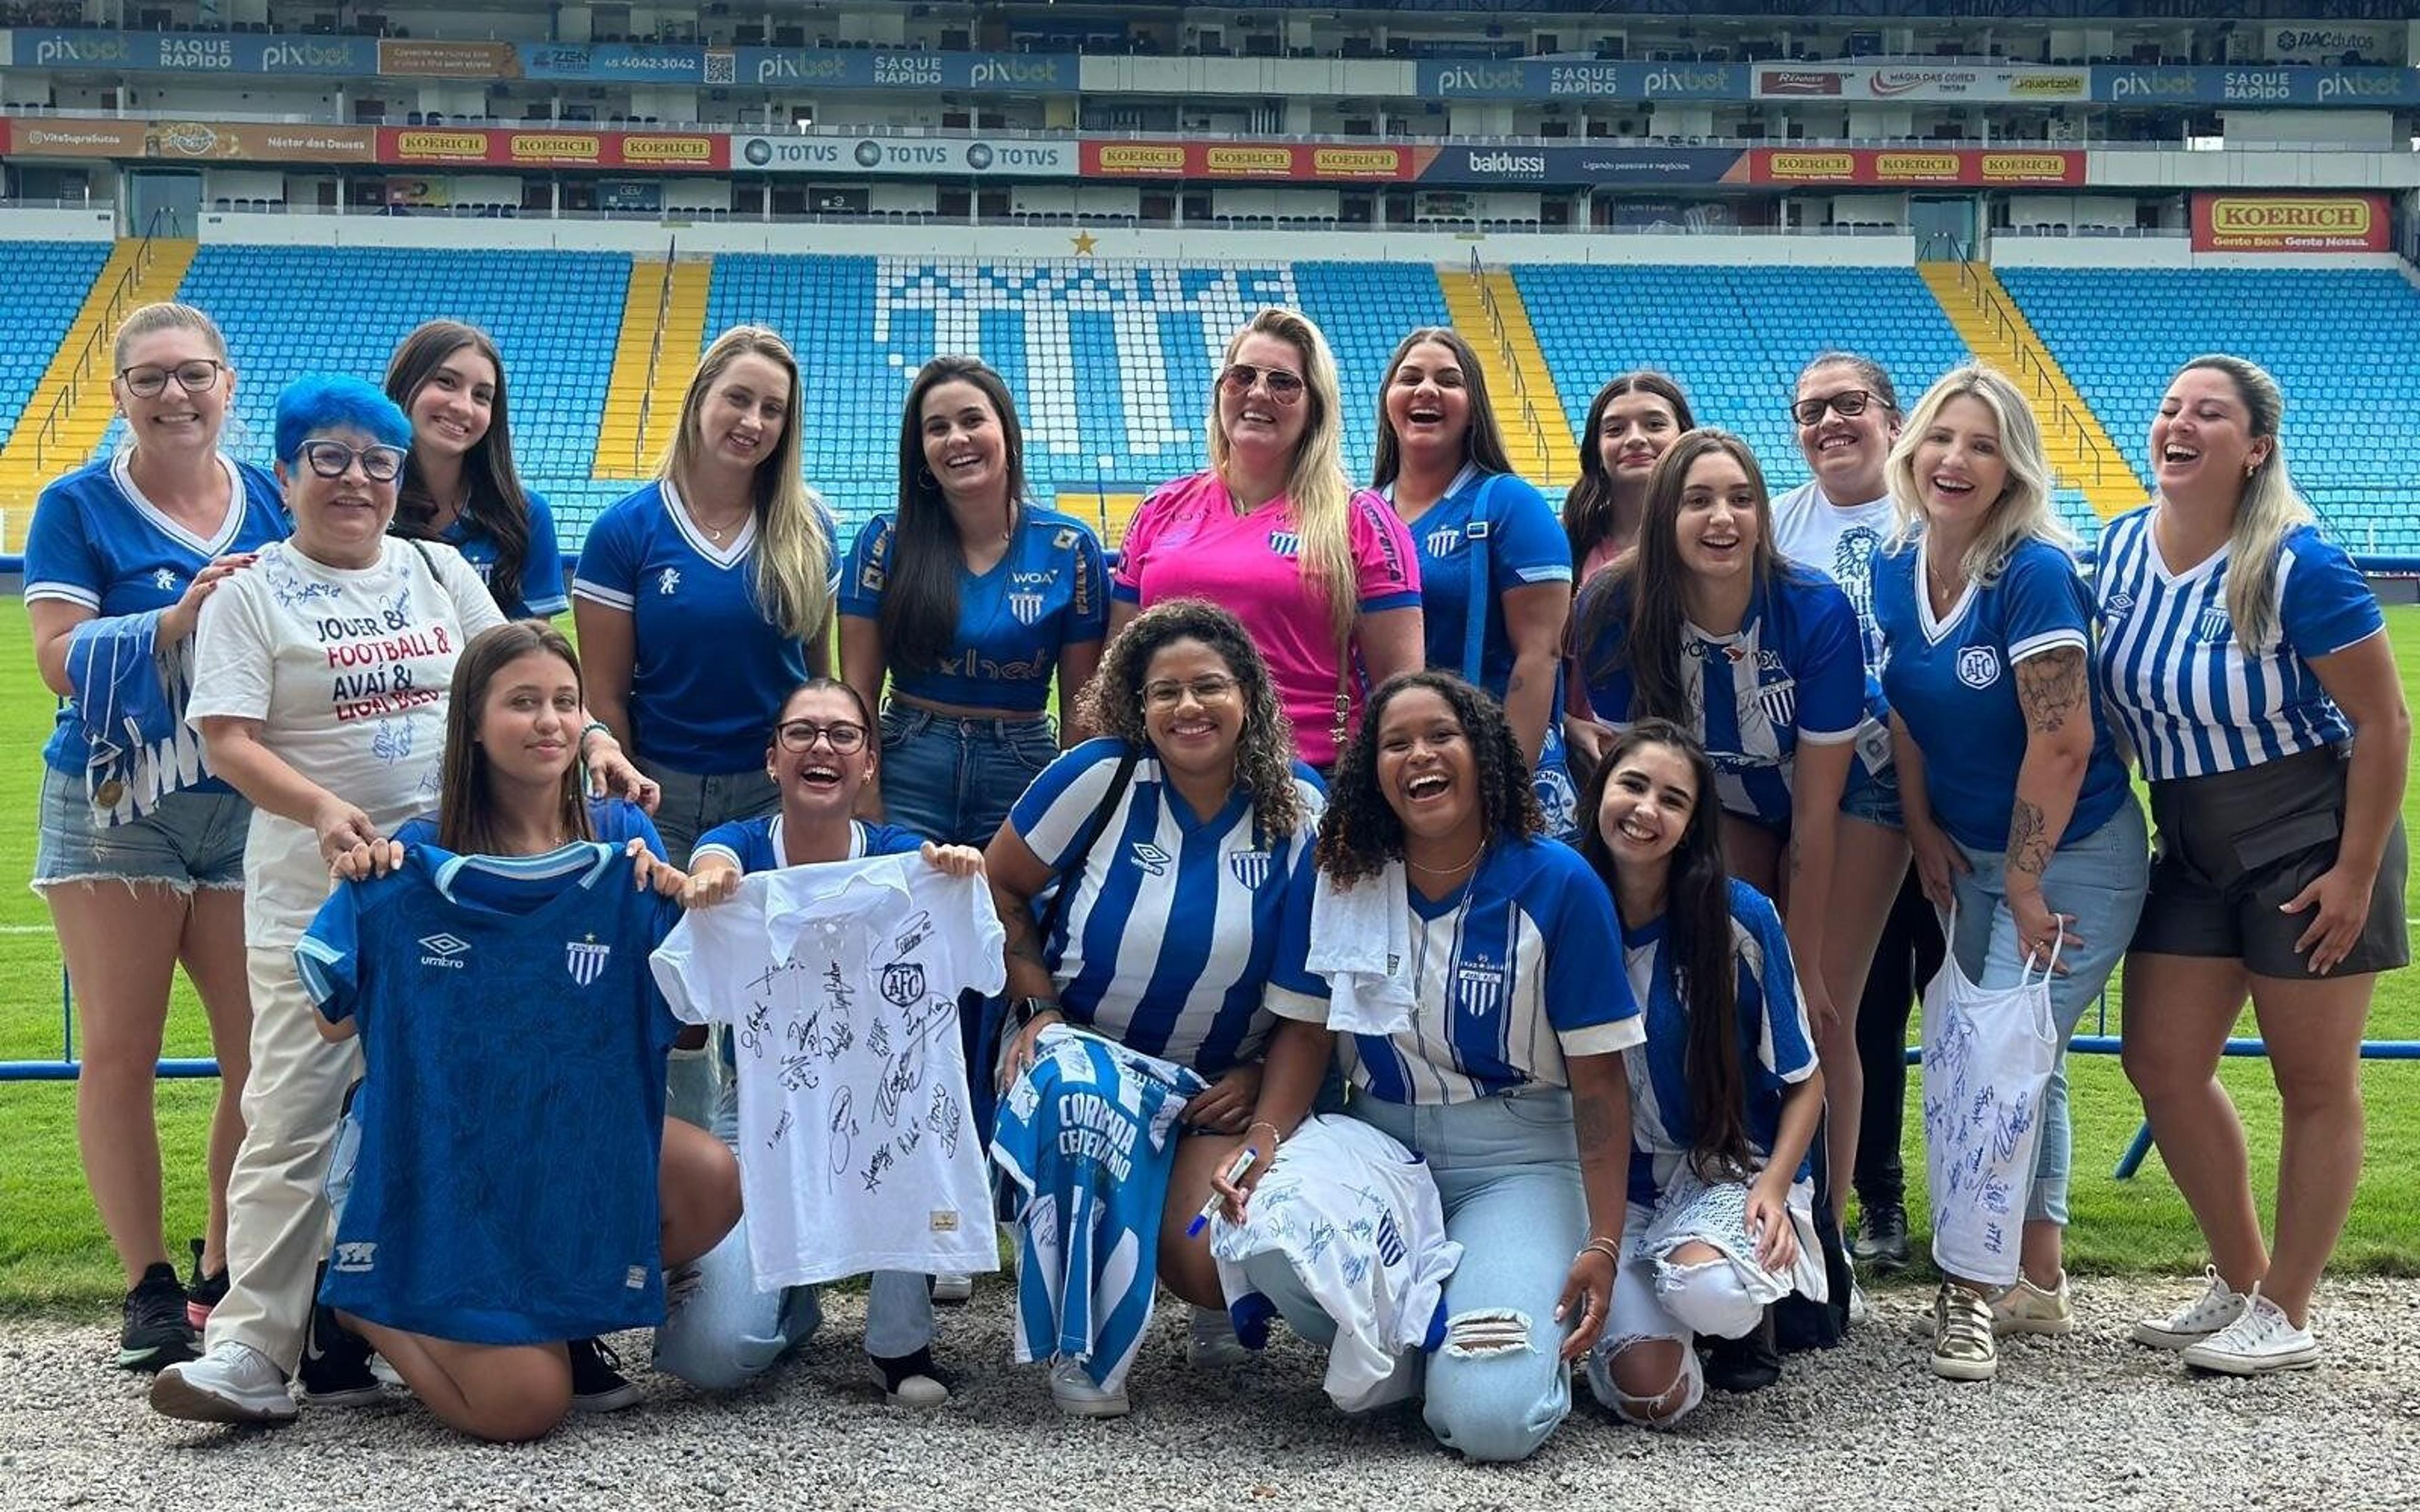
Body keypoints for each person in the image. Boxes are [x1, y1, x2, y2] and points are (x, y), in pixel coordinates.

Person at [149, 375, 646, 1426]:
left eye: (378, 462)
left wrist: (595, 743)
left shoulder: (435, 570)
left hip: (455, 888)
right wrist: (328, 812)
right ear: (285, 476)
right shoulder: (251, 592)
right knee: (289, 1113)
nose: (356, 480)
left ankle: (524, 1302)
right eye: (327, 458)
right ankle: (249, 1349)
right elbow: (228, 737)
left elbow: (523, 664)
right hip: (317, 887)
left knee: (481, 1104)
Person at [309, 620, 734, 1440]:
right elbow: (330, 1026)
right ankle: (356, 1303)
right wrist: (372, 898)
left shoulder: (625, 844)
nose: (549, 721)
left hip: (566, 1143)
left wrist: (684, 918)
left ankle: (555, 1306)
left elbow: (684, 1033)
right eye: (523, 703)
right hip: (444, 1162)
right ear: (473, 721)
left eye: (566, 703)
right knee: (523, 1410)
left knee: (715, 1181)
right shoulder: (414, 861)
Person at [1221, 671, 1639, 1463]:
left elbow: (1599, 1084)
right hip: (1379, 1145)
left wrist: (1606, 1240)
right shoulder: (1341, 870)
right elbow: (1308, 1035)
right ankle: (1420, 1338)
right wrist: (1265, 1141)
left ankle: (1453, 1343)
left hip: (1515, 1161)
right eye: (1395, 743)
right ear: (1373, 769)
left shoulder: (1557, 884)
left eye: (1441, 736)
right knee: (1267, 1229)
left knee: (1489, 1421)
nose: (1420, 756)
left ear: (1482, 753)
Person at [2101, 355, 2409, 1375]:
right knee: (2160, 1063)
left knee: (2313, 1080)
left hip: (2307, 837)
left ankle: (2289, 1305)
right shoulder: (2116, 553)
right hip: (2188, 839)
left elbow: (2382, 721)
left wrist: (2358, 870)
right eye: (2169, 407)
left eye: (2210, 415)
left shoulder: (2295, 564)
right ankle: (2240, 1278)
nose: (2179, 425)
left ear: (2256, 447)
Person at [1874, 366, 2148, 1381]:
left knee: (1991, 1061)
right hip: (1973, 845)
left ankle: (1968, 1294)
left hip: (2072, 856)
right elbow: (1904, 701)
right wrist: (1919, 821)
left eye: (1984, 445)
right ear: (1913, 449)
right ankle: (2037, 1279)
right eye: (1943, 437)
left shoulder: (2030, 570)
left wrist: (2027, 885)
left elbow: (2065, 740)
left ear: (2014, 467)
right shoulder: (1898, 557)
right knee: (2022, 1052)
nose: (1956, 460)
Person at [986, 598, 1326, 1416]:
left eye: (1208, 686)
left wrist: (1258, 1101)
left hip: (1216, 1085)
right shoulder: (1098, 778)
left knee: (1211, 1250)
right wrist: (1036, 1008)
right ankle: (1085, 1347)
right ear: (1138, 706)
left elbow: (1315, 992)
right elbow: (998, 886)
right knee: (1077, 1094)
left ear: (1249, 694)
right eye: (1164, 692)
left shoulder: (1302, 804)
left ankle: (1213, 1299)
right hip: (1088, 1061)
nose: (1187, 707)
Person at [24, 301, 284, 1370]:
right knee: (120, 1051)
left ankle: (223, 1265)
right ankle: (146, 1286)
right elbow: (55, 654)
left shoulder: (270, 495)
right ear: (121, 392)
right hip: (116, 798)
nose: (175, 396)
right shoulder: (78, 503)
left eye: (194, 375)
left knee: (257, 1058)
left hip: (246, 797)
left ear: (229, 383)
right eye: (150, 379)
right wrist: (172, 625)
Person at [1572, 430, 1903, 1267]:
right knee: (1719, 980)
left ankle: (1821, 1230)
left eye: (1741, 499)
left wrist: (1810, 963)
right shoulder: (1614, 607)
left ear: (1764, 515)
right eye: (1698, 500)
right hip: (1726, 796)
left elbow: (1818, 817)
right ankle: (1719, 1194)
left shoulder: (1812, 607)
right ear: (1665, 519)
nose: (1723, 518)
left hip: (1847, 789)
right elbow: (1629, 783)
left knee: (1823, 1011)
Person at [653, 678, 985, 1408]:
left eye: (843, 733)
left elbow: (960, 936)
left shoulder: (904, 859)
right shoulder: (742, 848)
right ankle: (789, 1299)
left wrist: (957, 875)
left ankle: (900, 1342)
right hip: (764, 1117)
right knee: (712, 1357)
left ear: (869, 763)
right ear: (772, 760)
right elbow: (714, 858)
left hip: (878, 1109)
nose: (821, 746)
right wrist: (713, 884)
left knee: (915, 1127)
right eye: (801, 732)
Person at [1574, 721, 1826, 1428]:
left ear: (1693, 825)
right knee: (1655, 1398)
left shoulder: (1739, 919)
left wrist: (1775, 1187)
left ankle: (1718, 1307)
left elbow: (1806, 1079)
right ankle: (1641, 1328)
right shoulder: (1559, 894)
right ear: (1600, 791)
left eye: (1672, 800)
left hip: (1718, 1169)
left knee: (1710, 1290)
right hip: (1602, 1186)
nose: (1646, 810)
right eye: (1632, 785)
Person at [1770, 352, 1937, 1268]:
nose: (1829, 424)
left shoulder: (1939, 502)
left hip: (1954, 789)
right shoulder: (1782, 524)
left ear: (1891, 414)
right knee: (1843, 1003)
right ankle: (1856, 1210)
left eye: (1848, 405)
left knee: (1969, 1008)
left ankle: (2017, 1246)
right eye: (1809, 410)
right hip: (1842, 789)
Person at [1111, 307, 1422, 774]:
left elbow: (1401, 690)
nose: (1258, 392)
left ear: (1314, 404)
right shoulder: (1160, 509)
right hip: (1165, 777)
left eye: (1283, 382)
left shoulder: (1360, 518)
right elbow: (1119, 665)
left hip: (1309, 778)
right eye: (1242, 376)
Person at [573, 324, 839, 864]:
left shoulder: (811, 529)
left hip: (775, 791)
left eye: (773, 409)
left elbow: (818, 677)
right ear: (700, 399)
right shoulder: (625, 530)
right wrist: (631, 804)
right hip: (660, 791)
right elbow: (605, 696)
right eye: (738, 399)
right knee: (661, 942)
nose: (753, 422)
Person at [840, 355, 1106, 845]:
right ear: (921, 450)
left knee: (1011, 920)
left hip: (1023, 771)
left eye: (972, 420)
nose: (956, 439)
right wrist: (865, 791)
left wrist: (1070, 810)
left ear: (1005, 430)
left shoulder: (1070, 547)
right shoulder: (884, 541)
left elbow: (1081, 711)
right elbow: (858, 695)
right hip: (906, 763)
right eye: (936, 428)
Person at [1371, 328, 1576, 835]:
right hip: (1394, 770)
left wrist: (1502, 787)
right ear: (1388, 401)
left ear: (1473, 406)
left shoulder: (1509, 503)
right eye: (1410, 378)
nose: (1426, 391)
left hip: (1481, 767)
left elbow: (1540, 654)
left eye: (1449, 380)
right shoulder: (1361, 512)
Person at [1560, 372, 1697, 785]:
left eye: (1654, 425)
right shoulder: (1564, 544)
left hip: (1687, 764)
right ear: (1596, 449)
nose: (1635, 439)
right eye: (1615, 429)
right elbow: (1531, 654)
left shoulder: (1717, 542)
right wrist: (1566, 724)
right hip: (1584, 761)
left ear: (1685, 437)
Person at [383, 320, 568, 622]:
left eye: (482, 395)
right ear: (405, 385)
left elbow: (528, 656)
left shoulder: (525, 514)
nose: (464, 407)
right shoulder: (364, 505)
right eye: (446, 382)